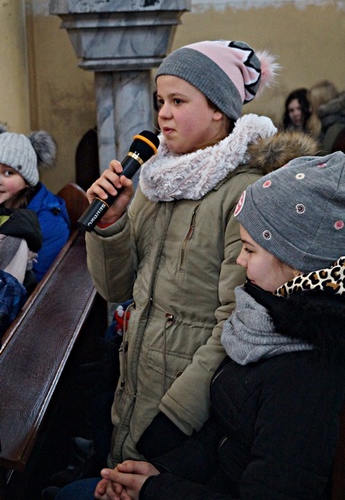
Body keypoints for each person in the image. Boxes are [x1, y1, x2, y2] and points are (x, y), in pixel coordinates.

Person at [48, 39, 281, 500]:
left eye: (179, 101)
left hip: (187, 412)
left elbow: (235, 322)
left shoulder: (245, 194)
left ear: (219, 110)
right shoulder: (157, 180)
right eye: (160, 102)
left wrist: (175, 418)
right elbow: (116, 288)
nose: (163, 115)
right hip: (138, 381)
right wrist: (111, 224)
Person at [91, 150, 345, 500]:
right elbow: (228, 437)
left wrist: (155, 490)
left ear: (296, 260)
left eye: (250, 250)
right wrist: (163, 470)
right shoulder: (264, 321)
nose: (240, 260)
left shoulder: (305, 376)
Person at [0, 126, 70, 282]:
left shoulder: (50, 222)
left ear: (27, 180)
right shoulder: (5, 204)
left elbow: (39, 285)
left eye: (8, 173)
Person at [307, 80, 345, 154]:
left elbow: (325, 157)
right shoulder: (328, 126)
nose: (310, 110)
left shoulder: (334, 129)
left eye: (312, 105)